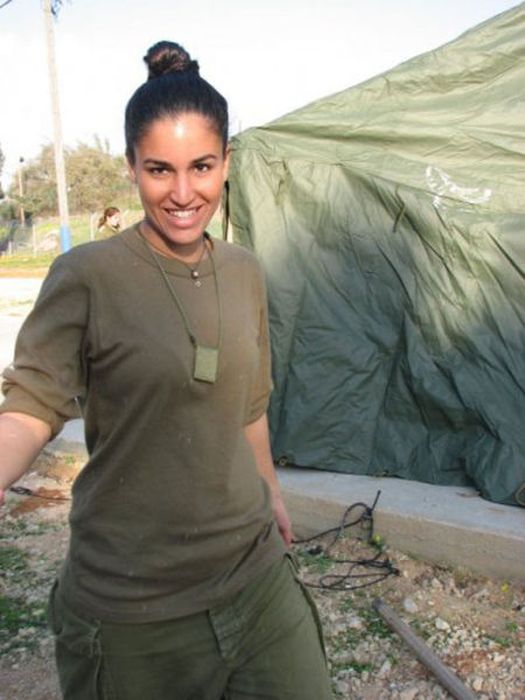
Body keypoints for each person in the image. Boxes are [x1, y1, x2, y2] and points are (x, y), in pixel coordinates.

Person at [0, 41, 333, 700]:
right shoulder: (88, 274)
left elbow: (248, 406)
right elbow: (30, 406)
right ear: (130, 168)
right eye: (159, 170)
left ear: (226, 162)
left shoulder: (242, 271)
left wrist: (267, 491)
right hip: (135, 609)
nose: (183, 194)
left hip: (255, 580)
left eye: (202, 167)